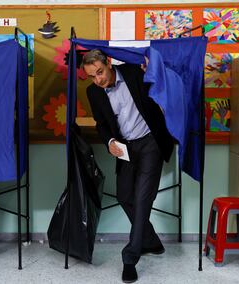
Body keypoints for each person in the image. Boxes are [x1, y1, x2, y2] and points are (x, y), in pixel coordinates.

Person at [82, 49, 173, 283]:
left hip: (151, 141)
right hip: (125, 148)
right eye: (92, 76)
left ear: (109, 62)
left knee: (143, 198)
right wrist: (110, 141)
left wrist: (153, 74)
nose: (98, 79)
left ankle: (130, 257)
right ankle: (151, 241)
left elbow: (162, 90)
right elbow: (101, 124)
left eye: (100, 72)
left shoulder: (135, 73)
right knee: (124, 196)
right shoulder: (93, 92)